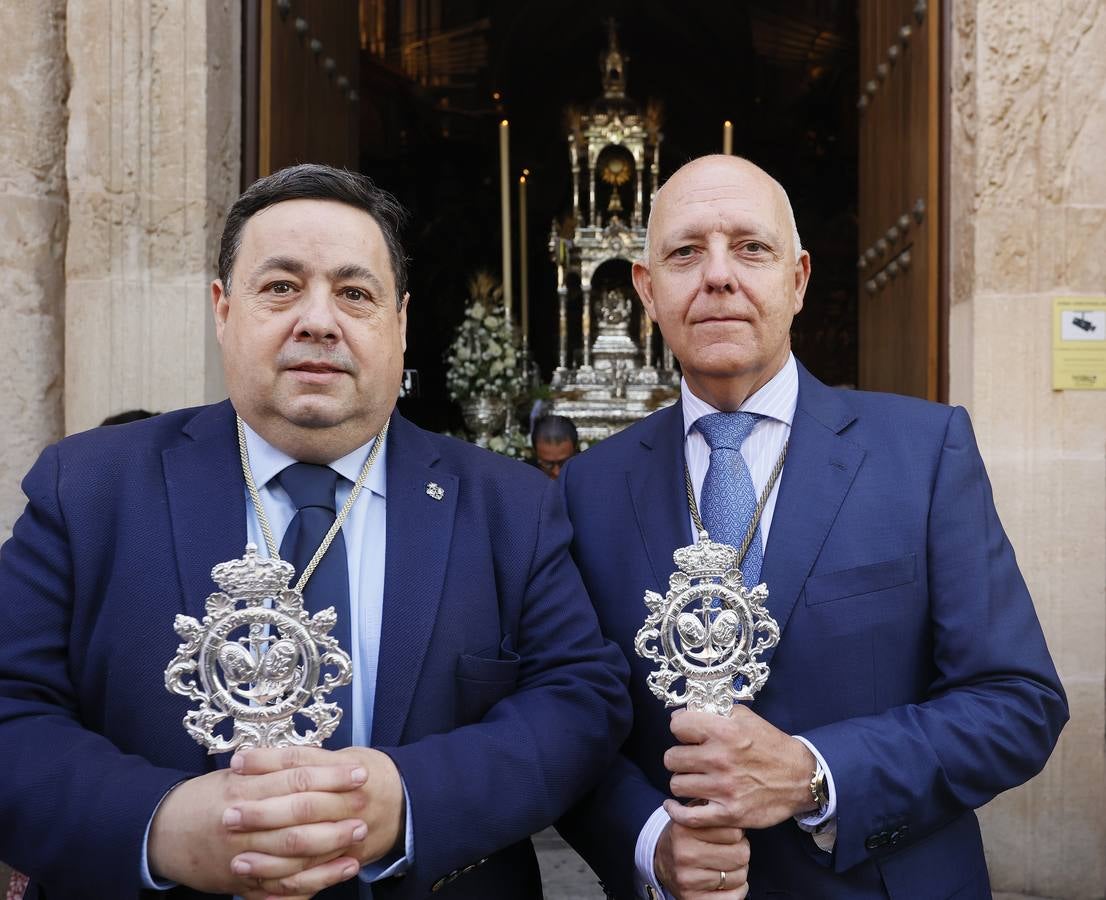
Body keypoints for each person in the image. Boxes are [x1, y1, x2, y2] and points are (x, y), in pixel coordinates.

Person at [0, 164, 631, 900]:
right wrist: (158, 826)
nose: (318, 321)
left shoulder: (509, 508)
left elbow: (581, 697)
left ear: (399, 324)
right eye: (281, 287)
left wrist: (407, 800)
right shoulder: (89, 489)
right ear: (223, 309)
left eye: (355, 294)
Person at [556, 155, 1067, 899]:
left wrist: (814, 775)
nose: (719, 275)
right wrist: (650, 842)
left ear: (797, 280)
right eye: (685, 252)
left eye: (752, 248)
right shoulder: (587, 490)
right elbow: (572, 723)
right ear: (646, 290)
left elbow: (1017, 703)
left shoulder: (923, 453)